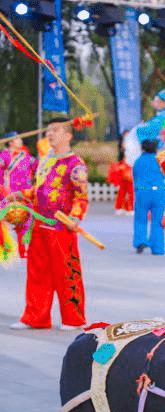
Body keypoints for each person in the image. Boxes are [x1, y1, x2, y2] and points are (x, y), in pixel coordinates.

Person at [8, 118, 89, 330]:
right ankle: (35, 317)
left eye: (55, 130)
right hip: (38, 225)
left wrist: (76, 216)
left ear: (68, 135)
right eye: (49, 131)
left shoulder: (75, 164)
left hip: (61, 227)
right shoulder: (45, 161)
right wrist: (20, 194)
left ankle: (73, 318)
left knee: (67, 274)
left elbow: (81, 196)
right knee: (37, 274)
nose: (50, 135)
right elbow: (38, 190)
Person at [0, 132, 37, 257]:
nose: (20, 140)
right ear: (10, 142)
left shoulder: (25, 155)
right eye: (17, 139)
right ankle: (4, 245)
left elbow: (37, 165)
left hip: (24, 193)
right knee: (3, 219)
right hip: (9, 193)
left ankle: (23, 248)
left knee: (26, 219)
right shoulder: (4, 155)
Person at [132, 139, 165, 255]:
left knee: (140, 219)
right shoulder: (160, 161)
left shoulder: (138, 161)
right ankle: (157, 248)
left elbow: (135, 176)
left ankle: (140, 241)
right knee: (158, 221)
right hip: (158, 192)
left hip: (142, 192)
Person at [107, 132, 134, 216]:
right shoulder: (123, 146)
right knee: (122, 191)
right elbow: (121, 155)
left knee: (131, 191)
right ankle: (119, 208)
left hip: (130, 167)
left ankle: (130, 208)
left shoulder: (134, 144)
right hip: (124, 166)